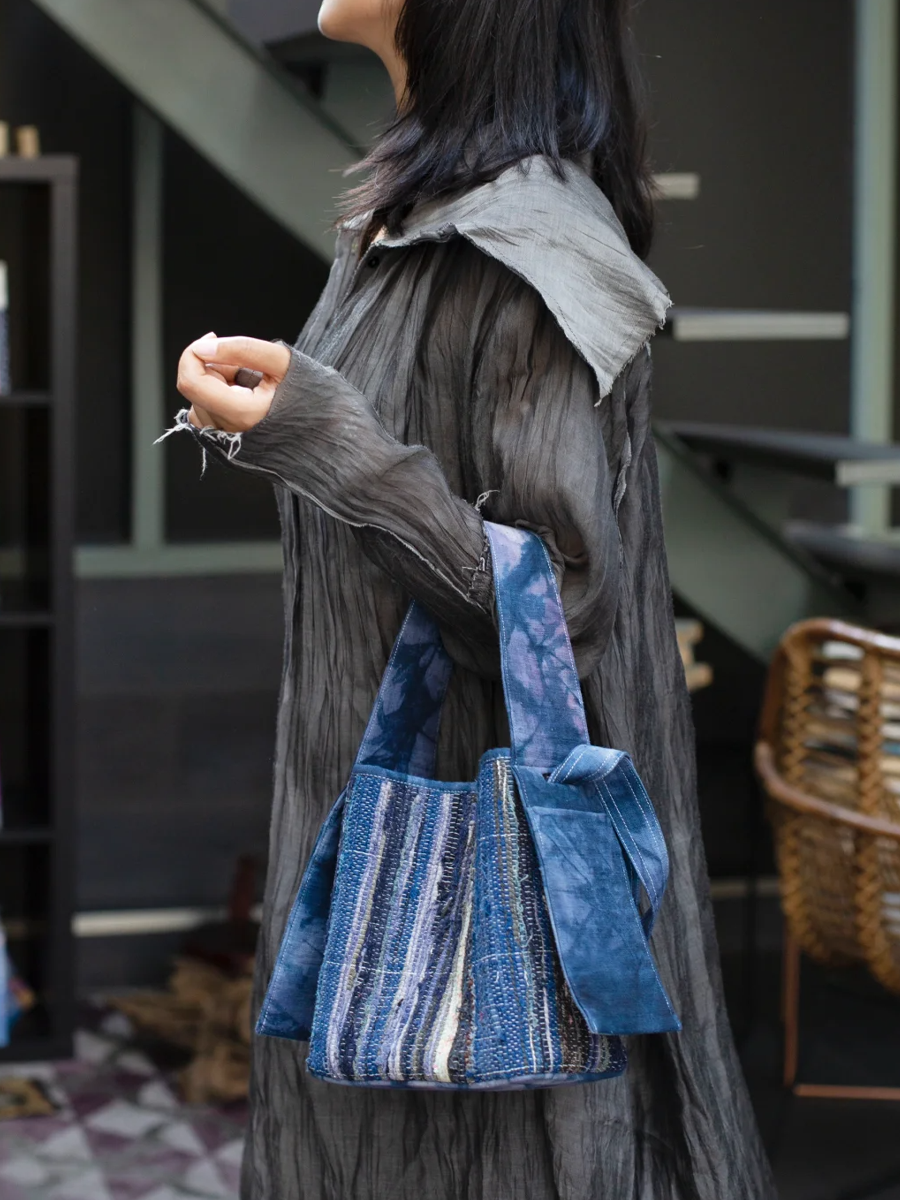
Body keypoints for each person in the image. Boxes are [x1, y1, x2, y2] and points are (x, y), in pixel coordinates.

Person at [169, 0, 776, 1196]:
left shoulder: (532, 237)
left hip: (479, 885)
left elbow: (558, 602)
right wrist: (307, 420)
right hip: (395, 815)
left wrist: (321, 436)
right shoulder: (411, 216)